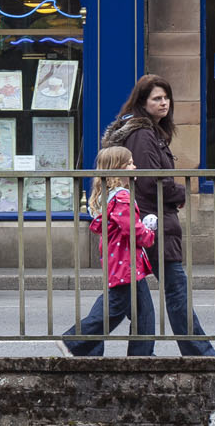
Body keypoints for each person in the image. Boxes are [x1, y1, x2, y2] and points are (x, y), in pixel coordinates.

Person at [103, 73, 215, 356]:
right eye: (157, 98)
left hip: (147, 223)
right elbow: (151, 180)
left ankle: (139, 354)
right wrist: (180, 194)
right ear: (143, 102)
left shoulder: (148, 131)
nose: (164, 103)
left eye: (166, 98)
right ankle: (200, 354)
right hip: (153, 224)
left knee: (133, 299)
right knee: (175, 290)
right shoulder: (143, 134)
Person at [58, 147, 157, 356]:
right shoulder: (122, 197)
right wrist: (148, 234)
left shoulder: (111, 195)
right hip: (125, 262)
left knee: (143, 312)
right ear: (117, 169)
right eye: (130, 163)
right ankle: (73, 342)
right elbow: (131, 228)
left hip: (124, 260)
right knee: (113, 309)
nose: (134, 167)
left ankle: (142, 356)